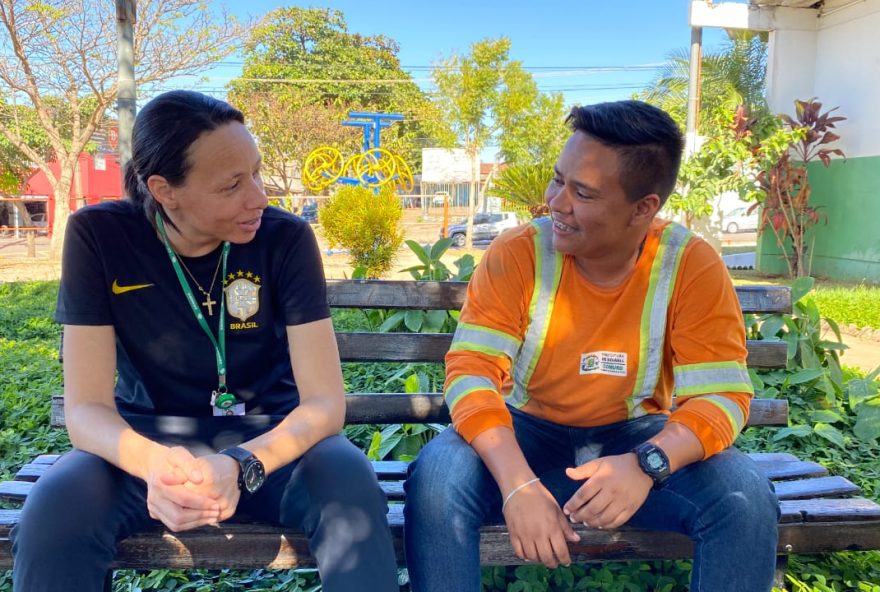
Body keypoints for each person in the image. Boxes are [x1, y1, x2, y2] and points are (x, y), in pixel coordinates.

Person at [11, 90, 398, 592]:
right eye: (233, 185)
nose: (259, 197)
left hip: (273, 446)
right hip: (142, 445)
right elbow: (85, 408)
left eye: (257, 173)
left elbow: (325, 404)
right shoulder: (100, 236)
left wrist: (241, 464)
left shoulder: (285, 239)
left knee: (350, 483)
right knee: (56, 510)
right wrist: (153, 466)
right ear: (165, 190)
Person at [404, 100, 779, 591]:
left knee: (744, 495)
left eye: (582, 192)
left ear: (644, 207)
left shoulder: (690, 265)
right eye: (559, 179)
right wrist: (518, 485)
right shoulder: (519, 254)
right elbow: (471, 371)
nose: (556, 202)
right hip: (523, 438)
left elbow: (723, 397)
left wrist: (648, 464)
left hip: (636, 441)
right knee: (438, 476)